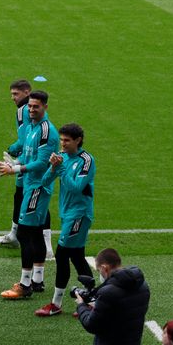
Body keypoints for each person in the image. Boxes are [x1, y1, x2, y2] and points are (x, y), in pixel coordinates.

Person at [0, 91, 58, 299]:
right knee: (36, 232)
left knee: (24, 234)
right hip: (32, 185)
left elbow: (42, 163)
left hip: (37, 188)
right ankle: (37, 280)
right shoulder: (31, 127)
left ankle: (24, 284)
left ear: (45, 107)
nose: (31, 110)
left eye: (35, 107)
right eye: (29, 106)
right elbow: (28, 156)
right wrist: (14, 163)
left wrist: (16, 170)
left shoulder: (47, 131)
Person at [35, 123, 96, 316]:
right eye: (61, 140)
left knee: (62, 254)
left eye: (66, 140)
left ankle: (56, 303)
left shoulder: (86, 160)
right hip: (68, 213)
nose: (62, 144)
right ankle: (93, 300)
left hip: (79, 214)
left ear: (78, 140)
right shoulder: (62, 158)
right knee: (77, 256)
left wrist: (60, 169)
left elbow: (76, 187)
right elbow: (44, 182)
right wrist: (53, 167)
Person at [0, 79, 31, 248]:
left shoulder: (23, 110)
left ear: (27, 92)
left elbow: (24, 140)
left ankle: (17, 235)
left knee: (23, 196)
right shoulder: (35, 110)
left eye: (16, 94)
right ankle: (17, 234)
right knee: (28, 197)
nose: (13, 98)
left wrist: (11, 150)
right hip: (31, 158)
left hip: (27, 160)